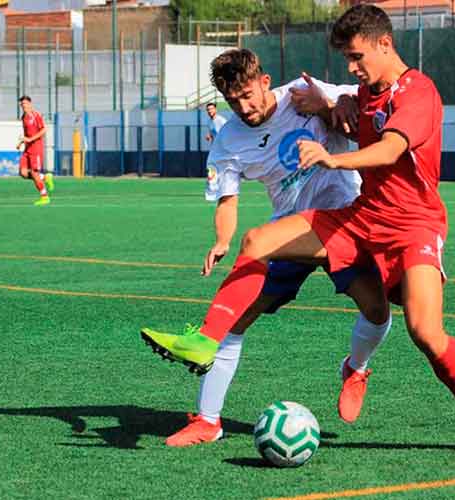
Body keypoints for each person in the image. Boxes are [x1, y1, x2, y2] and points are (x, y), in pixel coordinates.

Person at [140, 5, 455, 459]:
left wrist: (333, 145)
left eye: (356, 58)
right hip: (357, 217)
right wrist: (336, 103)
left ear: (384, 44)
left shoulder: (419, 92)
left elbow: (390, 148)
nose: (352, 69)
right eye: (349, 62)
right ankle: (205, 356)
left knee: (424, 332)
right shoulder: (362, 91)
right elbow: (347, 107)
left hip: (413, 226)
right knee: (257, 243)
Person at [142, 48, 391, 447]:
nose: (243, 107)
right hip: (291, 233)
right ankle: (208, 421)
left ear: (264, 81)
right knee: (234, 322)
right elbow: (227, 199)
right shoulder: (228, 141)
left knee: (377, 312)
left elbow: (359, 101)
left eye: (247, 95)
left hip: (345, 218)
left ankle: (356, 368)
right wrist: (222, 239)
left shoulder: (302, 92)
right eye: (233, 101)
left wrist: (334, 101)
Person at [17, 96, 54, 205]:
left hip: (36, 148)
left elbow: (43, 130)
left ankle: (44, 197)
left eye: (25, 103)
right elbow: (27, 134)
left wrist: (30, 139)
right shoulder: (23, 117)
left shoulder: (36, 115)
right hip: (27, 148)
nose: (23, 106)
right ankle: (45, 177)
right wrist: (21, 142)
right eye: (21, 104)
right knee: (23, 173)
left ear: (30, 103)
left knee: (34, 172)